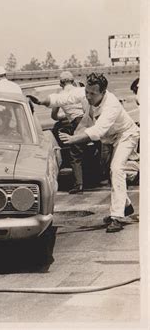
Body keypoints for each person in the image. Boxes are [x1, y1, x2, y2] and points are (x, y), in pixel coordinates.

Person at [28, 73, 139, 233]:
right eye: (87, 92)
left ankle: (117, 216)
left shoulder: (112, 105)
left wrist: (72, 140)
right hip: (109, 138)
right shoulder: (85, 93)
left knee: (116, 169)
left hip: (126, 135)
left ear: (103, 92)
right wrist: (40, 101)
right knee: (109, 172)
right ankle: (125, 206)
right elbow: (62, 99)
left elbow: (97, 131)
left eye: (93, 94)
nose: (88, 96)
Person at [50, 71, 85, 194]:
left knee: (75, 154)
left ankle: (79, 184)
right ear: (73, 80)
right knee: (101, 146)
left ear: (60, 83)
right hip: (88, 119)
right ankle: (107, 176)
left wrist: (67, 113)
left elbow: (54, 116)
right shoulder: (82, 90)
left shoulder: (59, 96)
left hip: (75, 122)